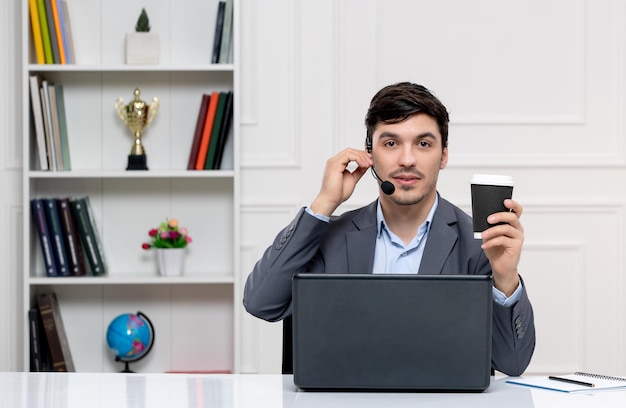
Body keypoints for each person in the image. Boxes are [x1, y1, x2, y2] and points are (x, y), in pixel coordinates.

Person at [243, 82, 535, 376]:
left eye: (423, 144)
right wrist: (324, 203)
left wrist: (506, 277)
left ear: (443, 155)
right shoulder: (329, 237)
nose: (407, 160)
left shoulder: (481, 244)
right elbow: (261, 304)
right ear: (370, 155)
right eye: (391, 143)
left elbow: (511, 363)